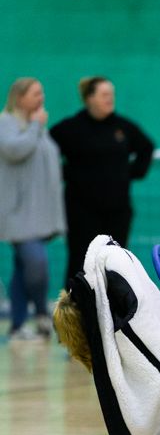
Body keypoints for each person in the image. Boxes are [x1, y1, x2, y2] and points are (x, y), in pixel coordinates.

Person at [50, 76, 154, 286]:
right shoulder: (71, 128)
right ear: (89, 98)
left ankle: (114, 316)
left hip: (117, 210)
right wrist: (68, 174)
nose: (110, 99)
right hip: (81, 211)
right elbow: (46, 152)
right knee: (80, 262)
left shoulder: (122, 127)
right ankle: (73, 315)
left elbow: (147, 147)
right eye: (104, 94)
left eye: (112, 94)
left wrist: (129, 173)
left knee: (115, 263)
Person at [0, 78, 66, 341]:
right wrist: (37, 126)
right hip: (17, 214)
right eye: (36, 93)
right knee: (37, 265)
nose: (41, 98)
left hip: (40, 213)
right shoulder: (6, 123)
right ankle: (40, 314)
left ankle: (17, 326)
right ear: (19, 97)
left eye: (42, 93)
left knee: (22, 269)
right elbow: (15, 150)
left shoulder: (37, 127)